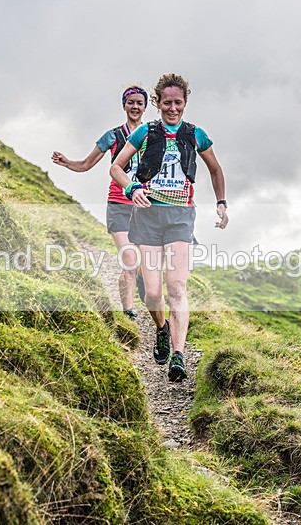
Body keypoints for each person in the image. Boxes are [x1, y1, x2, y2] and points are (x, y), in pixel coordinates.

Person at [110, 73, 228, 382]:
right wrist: (132, 188)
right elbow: (116, 167)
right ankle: (161, 328)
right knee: (151, 293)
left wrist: (221, 203)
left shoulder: (195, 134)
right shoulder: (146, 133)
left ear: (185, 103)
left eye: (178, 103)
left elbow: (215, 169)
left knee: (176, 286)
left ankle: (178, 354)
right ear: (157, 103)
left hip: (180, 217)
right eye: (166, 103)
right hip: (147, 217)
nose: (172, 109)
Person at [52, 86, 148, 318]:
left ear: (145, 107)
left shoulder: (151, 134)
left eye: (139, 103)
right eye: (131, 102)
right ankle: (128, 311)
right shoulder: (112, 136)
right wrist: (67, 163)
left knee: (146, 264)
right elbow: (86, 164)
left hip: (145, 206)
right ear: (124, 105)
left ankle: (144, 285)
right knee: (129, 258)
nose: (135, 107)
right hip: (118, 204)